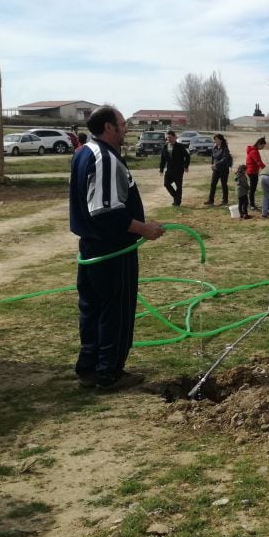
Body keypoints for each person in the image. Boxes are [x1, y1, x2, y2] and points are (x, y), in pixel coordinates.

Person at [70, 105, 164, 393]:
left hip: (92, 247)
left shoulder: (84, 152)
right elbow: (106, 211)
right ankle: (108, 373)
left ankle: (89, 366)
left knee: (93, 308)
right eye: (122, 124)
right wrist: (144, 229)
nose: (126, 129)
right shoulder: (104, 158)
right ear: (109, 127)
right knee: (115, 310)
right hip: (112, 250)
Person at [158, 130, 191, 206]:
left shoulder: (180, 146)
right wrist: (161, 169)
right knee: (166, 184)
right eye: (167, 138)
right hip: (169, 169)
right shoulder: (165, 147)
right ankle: (176, 196)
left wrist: (186, 166)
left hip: (179, 170)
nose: (168, 139)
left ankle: (177, 202)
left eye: (170, 137)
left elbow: (187, 156)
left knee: (178, 186)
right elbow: (163, 159)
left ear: (174, 137)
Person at [205, 133, 233, 206]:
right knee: (213, 184)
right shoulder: (214, 148)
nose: (215, 141)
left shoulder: (225, 148)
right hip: (216, 169)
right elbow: (213, 157)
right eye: (214, 139)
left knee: (224, 184)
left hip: (224, 169)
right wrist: (212, 164)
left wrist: (216, 164)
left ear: (221, 140)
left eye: (217, 139)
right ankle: (210, 200)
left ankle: (225, 200)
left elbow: (224, 159)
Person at [245, 137, 267, 211]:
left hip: (252, 171)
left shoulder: (254, 150)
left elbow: (259, 162)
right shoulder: (254, 151)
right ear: (259, 144)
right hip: (252, 172)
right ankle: (251, 205)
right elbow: (259, 162)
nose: (262, 148)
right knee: (252, 189)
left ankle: (251, 204)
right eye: (262, 146)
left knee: (252, 188)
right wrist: (267, 169)